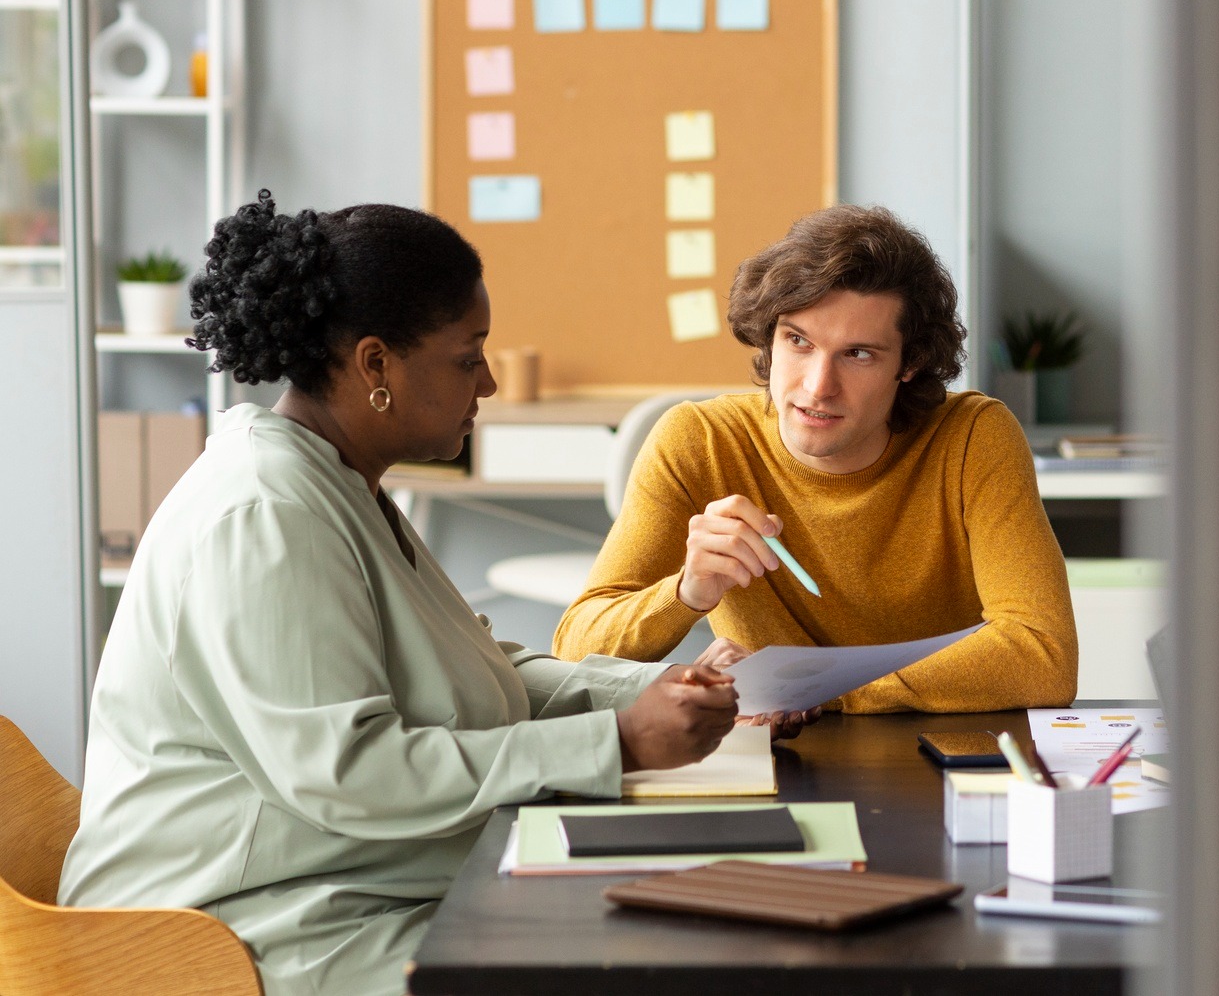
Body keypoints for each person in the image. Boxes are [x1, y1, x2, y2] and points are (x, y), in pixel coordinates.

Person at [60, 193, 740, 996]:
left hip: (341, 883)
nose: (489, 380)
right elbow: (350, 772)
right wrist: (616, 743)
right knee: (621, 952)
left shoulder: (334, 481)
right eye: (468, 356)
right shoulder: (266, 511)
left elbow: (472, 670)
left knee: (651, 922)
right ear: (376, 364)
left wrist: (656, 689)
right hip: (227, 929)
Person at [555, 204, 1079, 712]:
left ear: (911, 363)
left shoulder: (973, 437)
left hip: (937, 745)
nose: (818, 387)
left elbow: (1044, 657)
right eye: (798, 341)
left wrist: (823, 693)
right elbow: (573, 650)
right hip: (774, 746)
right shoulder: (700, 441)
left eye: (858, 354)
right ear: (769, 338)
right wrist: (686, 593)